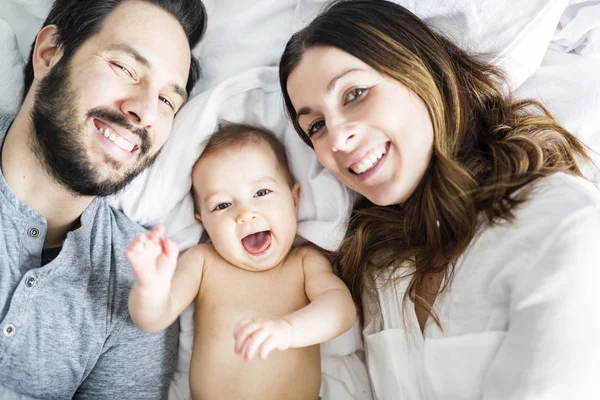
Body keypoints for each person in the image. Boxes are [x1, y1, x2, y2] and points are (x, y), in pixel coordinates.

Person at [278, 0, 600, 399]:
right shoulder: (377, 268)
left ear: (420, 73)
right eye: (316, 126)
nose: (338, 139)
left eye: (355, 93)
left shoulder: (561, 224)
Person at [0, 0, 206, 398]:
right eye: (126, 69)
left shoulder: (139, 294)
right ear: (49, 54)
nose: (144, 111)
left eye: (167, 101)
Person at [126, 123, 356, 400]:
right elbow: (152, 320)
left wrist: (289, 331)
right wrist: (150, 287)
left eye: (262, 193)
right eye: (222, 205)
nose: (246, 214)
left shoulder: (305, 263)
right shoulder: (202, 262)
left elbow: (341, 312)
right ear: (203, 222)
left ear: (294, 200)